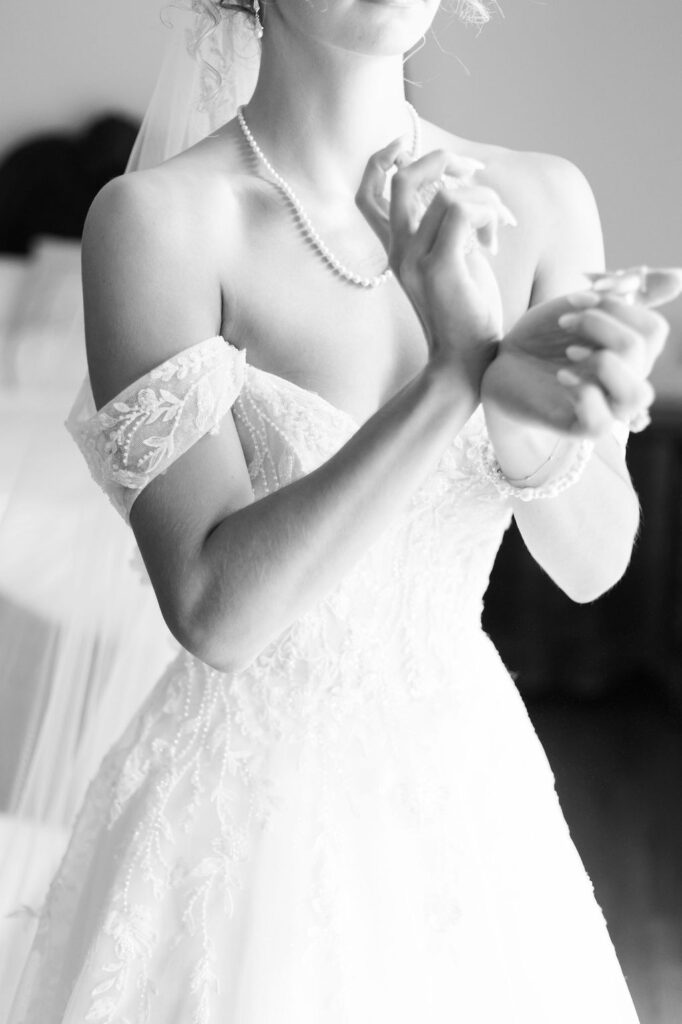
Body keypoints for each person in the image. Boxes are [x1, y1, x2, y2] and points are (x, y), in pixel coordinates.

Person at [7, 0, 682, 1020]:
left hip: (468, 803)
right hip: (231, 825)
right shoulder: (156, 224)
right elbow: (214, 612)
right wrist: (453, 376)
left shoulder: (542, 203)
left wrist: (538, 438)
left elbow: (593, 564)